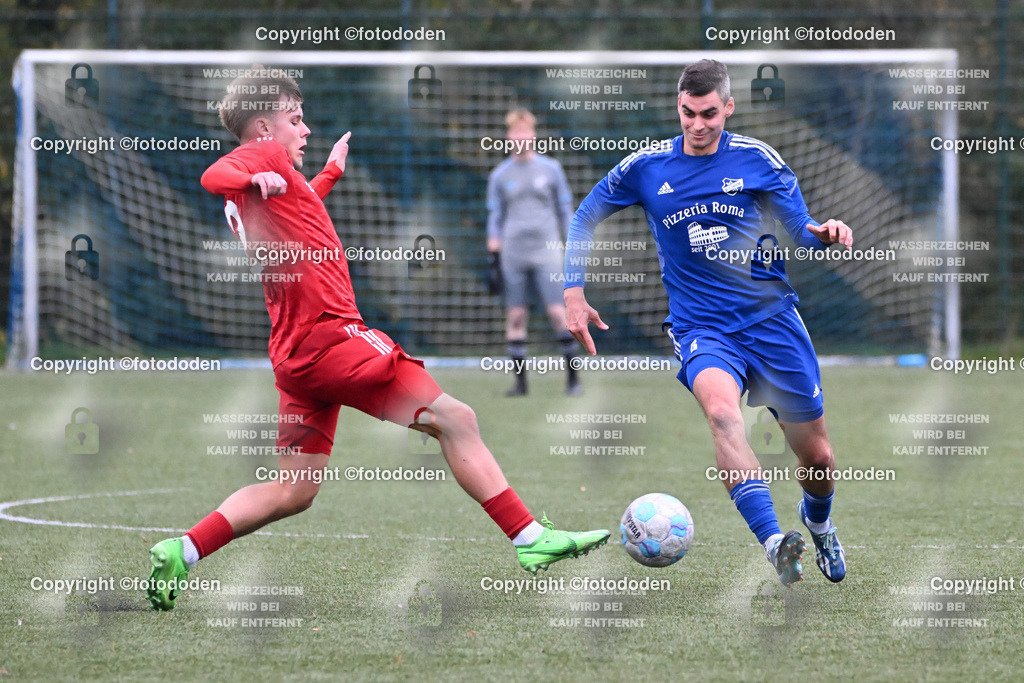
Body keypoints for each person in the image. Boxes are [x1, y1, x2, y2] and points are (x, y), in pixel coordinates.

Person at [144, 68, 609, 611]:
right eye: (296, 121)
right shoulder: (261, 159)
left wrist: (328, 177)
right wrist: (251, 176)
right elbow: (215, 175)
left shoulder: (273, 179)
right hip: (331, 338)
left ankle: (183, 550)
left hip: (296, 356)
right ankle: (530, 539)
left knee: (293, 491)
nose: (306, 130)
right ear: (265, 127)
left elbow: (297, 210)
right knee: (458, 418)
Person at [563, 60, 850, 586]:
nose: (698, 125)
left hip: (771, 321)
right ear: (678, 107)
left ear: (729, 107)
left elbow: (800, 230)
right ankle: (774, 543)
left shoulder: (757, 159)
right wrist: (573, 291)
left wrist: (824, 233)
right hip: (702, 328)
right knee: (722, 415)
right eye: (688, 113)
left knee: (820, 457)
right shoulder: (646, 168)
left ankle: (819, 522)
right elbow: (586, 215)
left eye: (709, 114)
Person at [486, 109, 581, 396]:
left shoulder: (551, 169)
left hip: (546, 250)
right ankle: (520, 384)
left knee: (557, 312)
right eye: (515, 132)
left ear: (534, 134)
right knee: (515, 316)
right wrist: (493, 254)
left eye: (525, 131)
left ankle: (573, 381)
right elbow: (495, 215)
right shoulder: (500, 175)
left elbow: (565, 209)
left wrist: (573, 243)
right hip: (513, 252)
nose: (520, 137)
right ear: (508, 137)